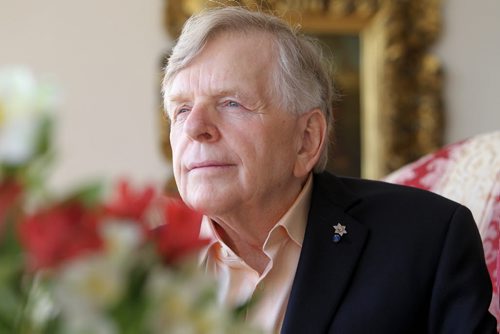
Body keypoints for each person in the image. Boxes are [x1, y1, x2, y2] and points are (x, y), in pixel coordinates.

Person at [162, 6, 497, 334]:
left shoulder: (427, 238)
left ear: (307, 139)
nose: (195, 127)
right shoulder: (134, 264)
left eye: (231, 103)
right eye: (181, 110)